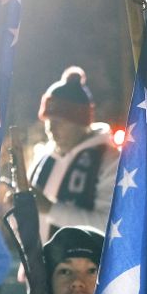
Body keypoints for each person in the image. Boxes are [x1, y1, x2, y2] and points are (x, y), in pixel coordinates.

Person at [29, 67, 119, 238]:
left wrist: (50, 209)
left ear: (81, 124)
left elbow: (109, 225)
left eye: (60, 122)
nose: (51, 130)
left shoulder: (109, 160)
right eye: (48, 121)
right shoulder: (44, 156)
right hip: (33, 262)